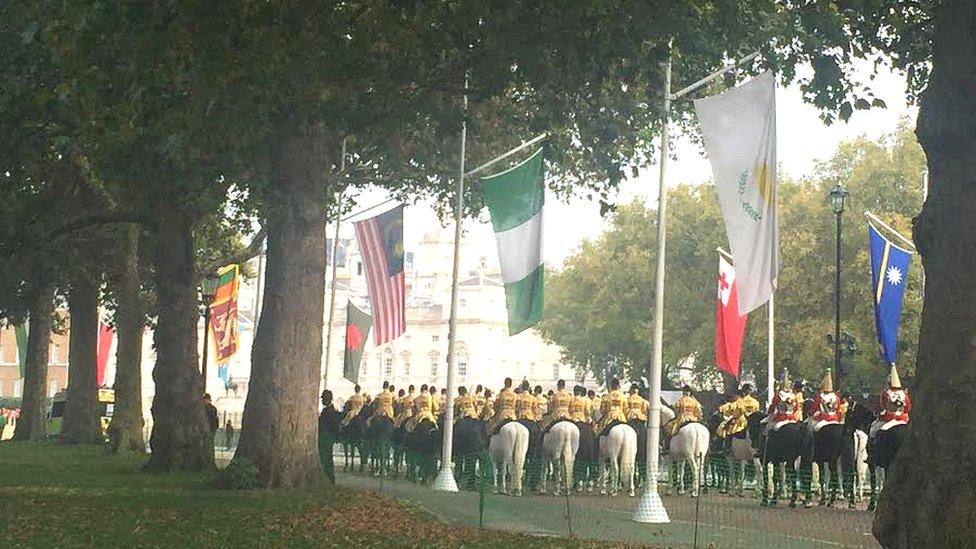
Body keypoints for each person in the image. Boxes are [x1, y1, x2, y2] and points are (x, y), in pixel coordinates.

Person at [870, 364, 911, 438]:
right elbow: (908, 408)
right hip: (903, 420)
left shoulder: (885, 394)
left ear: (889, 383)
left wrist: (878, 413)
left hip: (888, 419)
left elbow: (880, 408)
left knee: (873, 430)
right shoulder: (905, 395)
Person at [318, 390, 343, 483]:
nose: (322, 401)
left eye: (323, 399)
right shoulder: (332, 410)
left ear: (327, 399)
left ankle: (326, 477)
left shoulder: (327, 411)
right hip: (330, 436)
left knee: (324, 458)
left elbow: (322, 424)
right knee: (328, 457)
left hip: (326, 437)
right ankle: (331, 478)